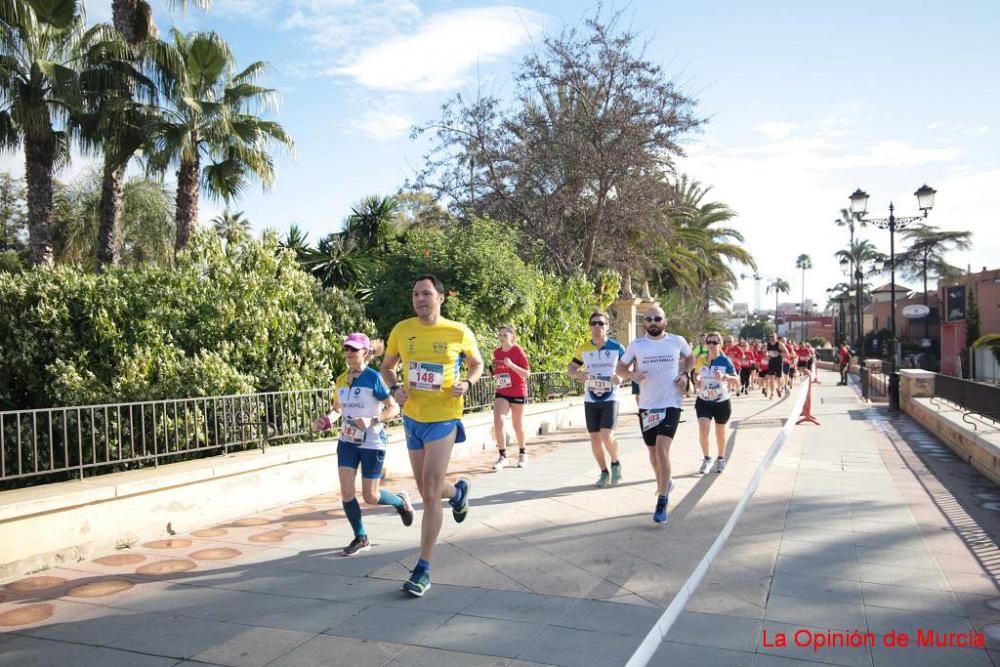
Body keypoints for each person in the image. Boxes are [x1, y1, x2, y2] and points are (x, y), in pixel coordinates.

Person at [381, 274, 483, 597]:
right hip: (413, 418)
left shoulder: (458, 331)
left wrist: (467, 383)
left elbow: (478, 364)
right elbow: (387, 366)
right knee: (430, 488)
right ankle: (456, 493)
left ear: (440, 298)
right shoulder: (402, 330)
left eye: (426, 293)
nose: (419, 299)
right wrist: (394, 388)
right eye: (415, 294)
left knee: (428, 492)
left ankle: (423, 568)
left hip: (444, 417)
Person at [313, 333, 412, 556]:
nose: (349, 353)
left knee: (371, 497)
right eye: (347, 348)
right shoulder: (341, 380)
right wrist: (327, 420)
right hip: (347, 442)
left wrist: (372, 420)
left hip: (373, 442)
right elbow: (338, 409)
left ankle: (400, 503)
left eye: (354, 349)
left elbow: (393, 407)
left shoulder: (374, 378)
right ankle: (361, 537)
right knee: (347, 492)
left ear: (365, 352)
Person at [616, 306, 693, 523]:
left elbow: (690, 358)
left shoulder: (677, 341)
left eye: (656, 318)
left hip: (671, 403)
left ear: (664, 321)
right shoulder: (636, 345)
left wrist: (685, 374)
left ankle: (662, 500)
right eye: (648, 319)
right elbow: (620, 368)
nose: (652, 322)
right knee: (653, 454)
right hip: (647, 405)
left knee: (661, 450)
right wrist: (631, 374)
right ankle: (665, 483)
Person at [568, 311, 625, 488]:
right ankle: (604, 472)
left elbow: (628, 368)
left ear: (607, 326)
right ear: (590, 326)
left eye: (601, 323)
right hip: (591, 398)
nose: (597, 326)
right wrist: (577, 374)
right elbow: (571, 367)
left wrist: (621, 378)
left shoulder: (617, 347)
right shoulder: (583, 347)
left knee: (606, 434)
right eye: (594, 323)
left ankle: (615, 463)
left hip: (611, 396)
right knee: (594, 438)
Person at [695, 332, 738, 474]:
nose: (712, 345)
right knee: (703, 430)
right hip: (704, 401)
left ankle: (720, 459)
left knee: (720, 432)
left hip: (721, 402)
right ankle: (707, 459)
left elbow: (737, 381)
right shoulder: (701, 359)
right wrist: (697, 379)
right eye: (709, 342)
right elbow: (696, 375)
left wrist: (724, 377)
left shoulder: (725, 361)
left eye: (715, 342)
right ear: (706, 344)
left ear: (720, 344)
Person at [492, 324, 530, 470]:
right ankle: (502, 456)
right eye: (500, 335)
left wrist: (512, 364)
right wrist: (492, 372)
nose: (501, 338)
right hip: (502, 391)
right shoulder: (496, 353)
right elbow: (497, 369)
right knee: (498, 421)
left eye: (505, 335)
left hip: (518, 391)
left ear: (511, 336)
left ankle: (522, 453)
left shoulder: (517, 351)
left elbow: (526, 374)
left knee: (517, 425)